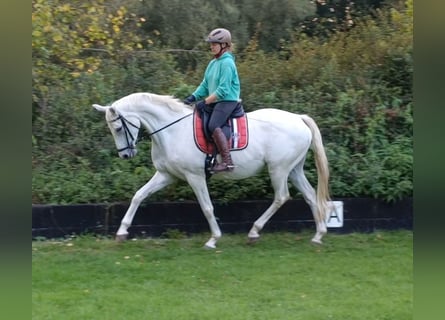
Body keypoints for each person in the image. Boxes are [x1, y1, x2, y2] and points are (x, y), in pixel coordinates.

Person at [183, 28, 241, 173]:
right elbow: (204, 85)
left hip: (228, 101)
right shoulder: (213, 63)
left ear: (224, 45)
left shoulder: (227, 63)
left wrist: (206, 101)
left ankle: (227, 162)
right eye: (211, 43)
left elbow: (223, 90)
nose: (211, 46)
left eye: (215, 43)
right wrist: (193, 97)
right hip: (216, 101)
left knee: (213, 124)